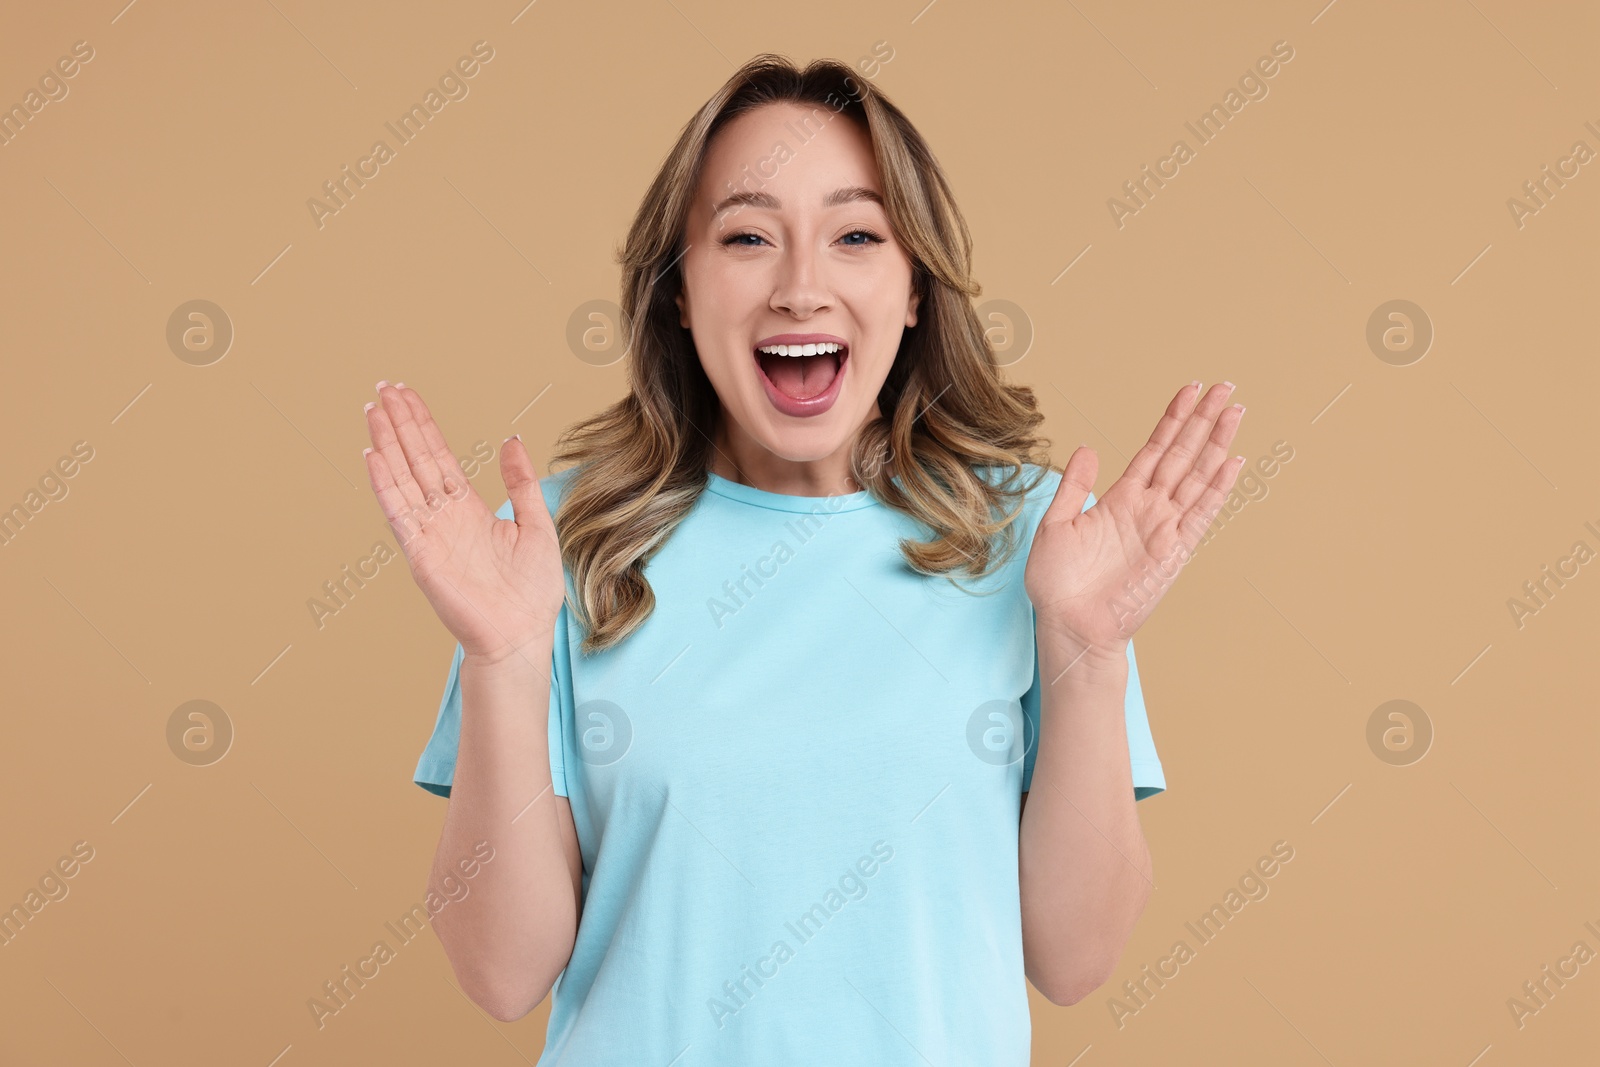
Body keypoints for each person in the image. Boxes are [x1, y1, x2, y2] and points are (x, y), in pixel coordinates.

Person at [362, 53, 1245, 1066]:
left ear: (914, 289)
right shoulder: (554, 546)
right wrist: (503, 657)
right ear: (680, 294)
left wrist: (1087, 651)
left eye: (856, 235)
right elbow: (502, 974)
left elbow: (1077, 956)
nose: (799, 287)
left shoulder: (1040, 547)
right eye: (745, 236)